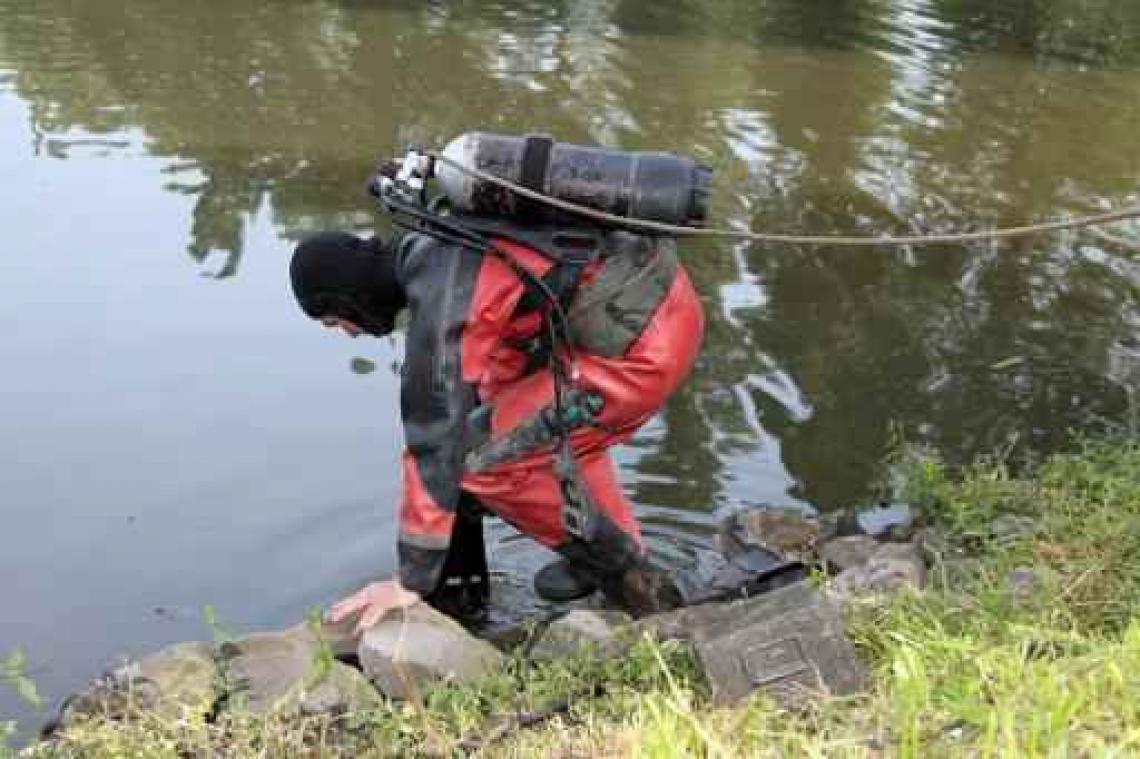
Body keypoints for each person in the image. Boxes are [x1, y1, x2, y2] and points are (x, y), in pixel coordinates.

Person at [289, 218, 704, 634]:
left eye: (333, 320)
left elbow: (433, 436)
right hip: (652, 307)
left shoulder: (440, 295)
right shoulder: (437, 250)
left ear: (347, 298)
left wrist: (410, 578)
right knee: (519, 435)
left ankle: (635, 582)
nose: (345, 333)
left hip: (639, 352)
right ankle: (594, 565)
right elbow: (502, 354)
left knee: (474, 461)